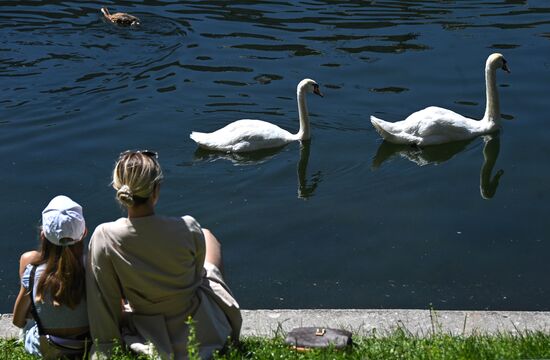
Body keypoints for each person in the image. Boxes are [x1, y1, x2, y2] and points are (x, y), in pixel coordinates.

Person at [86, 150, 242, 359]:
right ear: (156, 191)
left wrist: (107, 344)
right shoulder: (188, 227)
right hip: (200, 327)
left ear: (118, 189)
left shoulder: (104, 236)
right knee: (207, 237)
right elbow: (197, 277)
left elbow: (103, 297)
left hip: (146, 327)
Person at [12, 195, 90, 357]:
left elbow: (18, 321)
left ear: (43, 235)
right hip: (88, 345)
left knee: (29, 258)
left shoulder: (32, 271)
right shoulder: (94, 266)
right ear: (84, 233)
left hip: (46, 347)